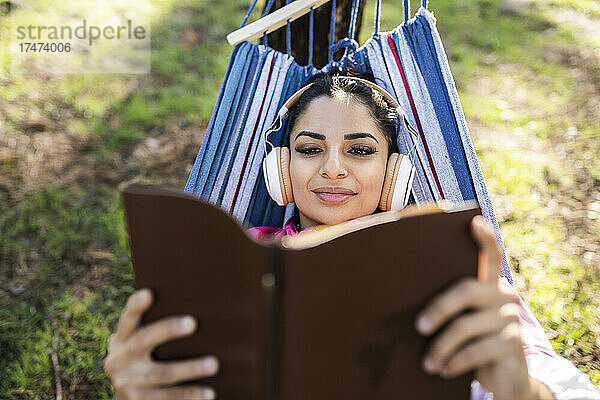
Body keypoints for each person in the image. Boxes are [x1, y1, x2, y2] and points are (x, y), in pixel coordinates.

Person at [103, 73, 600, 400]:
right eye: (310, 148)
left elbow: (558, 383)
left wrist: (526, 393)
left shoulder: (442, 262)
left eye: (360, 150)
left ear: (393, 174)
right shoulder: (237, 257)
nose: (332, 169)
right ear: (283, 170)